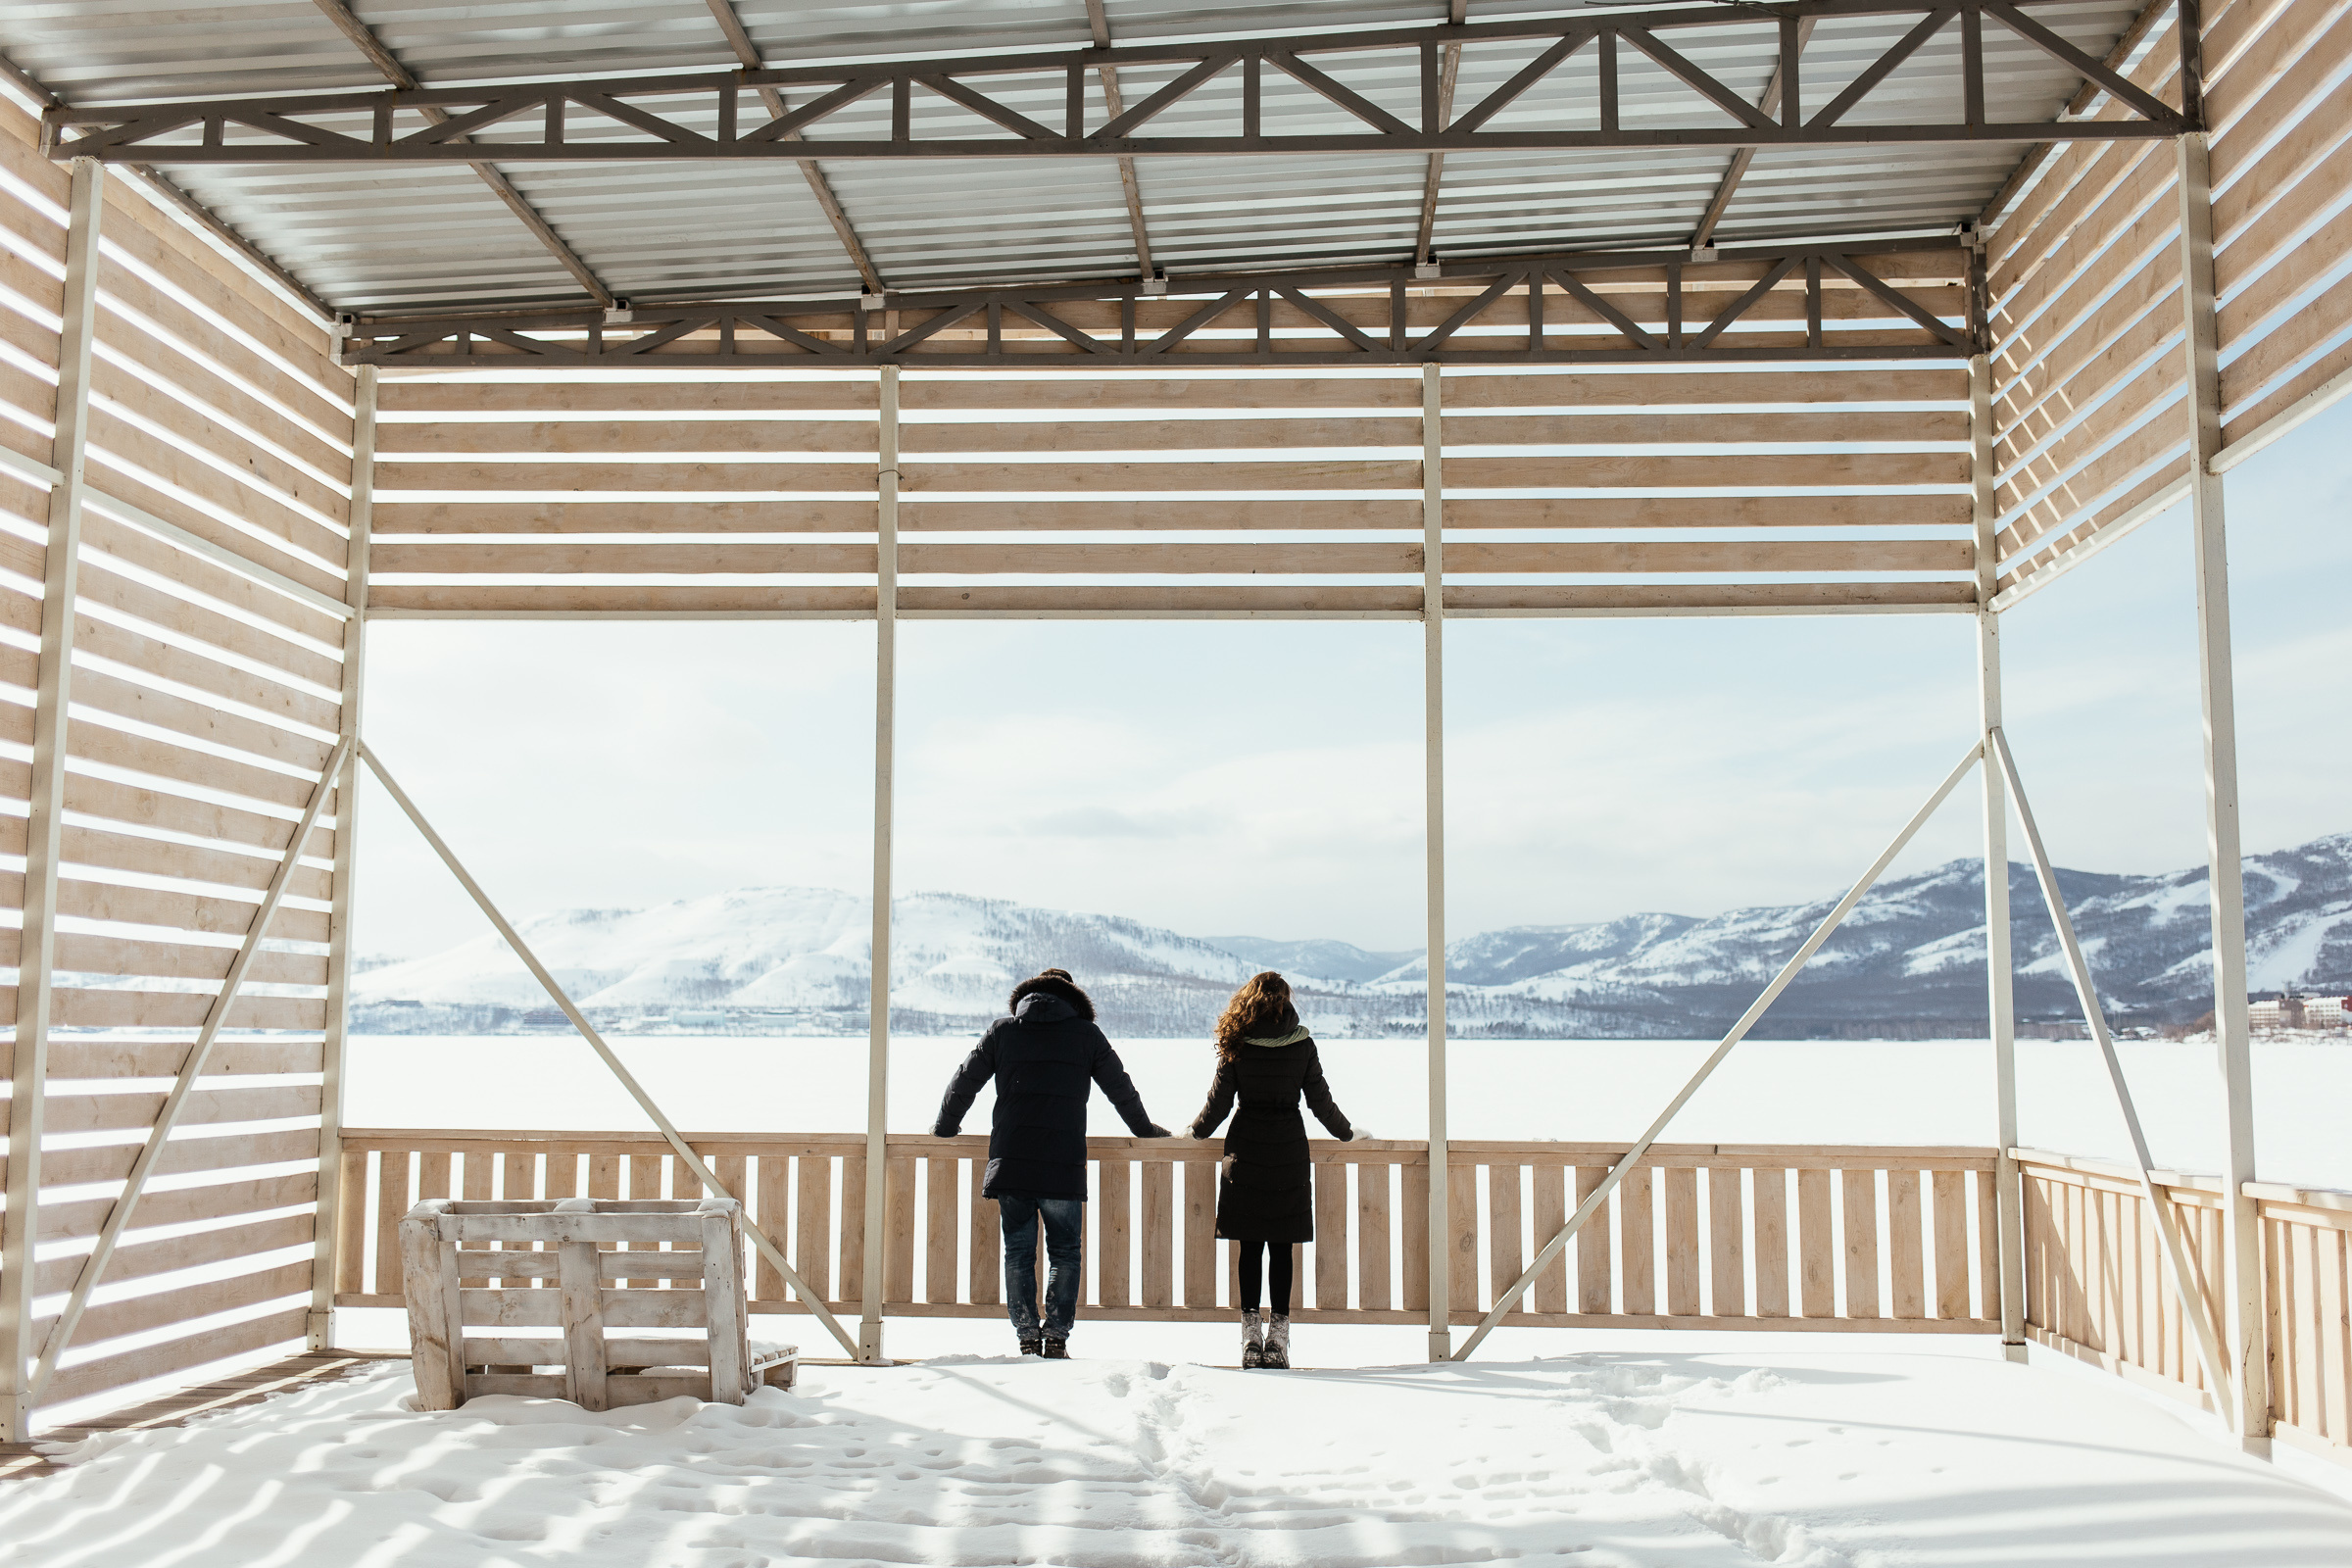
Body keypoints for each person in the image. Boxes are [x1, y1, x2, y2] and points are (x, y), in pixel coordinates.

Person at [935, 967, 1169, 1358]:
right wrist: (1145, 1130)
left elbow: (964, 1080)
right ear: (1072, 998)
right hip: (1063, 1163)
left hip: (1012, 1162)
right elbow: (1120, 1088)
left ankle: (1027, 1336)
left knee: (1018, 1252)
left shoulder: (1003, 1031)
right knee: (1064, 1253)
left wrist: (945, 1127)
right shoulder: (1086, 1035)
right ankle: (1057, 1337)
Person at [1188, 971, 1358, 1368]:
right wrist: (1348, 1133)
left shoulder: (1238, 1042)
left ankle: (1251, 1340)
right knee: (1282, 1246)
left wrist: (1194, 1132)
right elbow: (1320, 1101)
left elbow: (1218, 1104)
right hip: (1288, 1153)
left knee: (1250, 1246)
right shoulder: (1302, 1044)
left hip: (1245, 1152)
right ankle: (1278, 1342)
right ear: (1286, 1001)